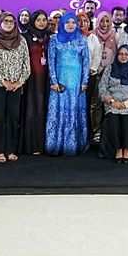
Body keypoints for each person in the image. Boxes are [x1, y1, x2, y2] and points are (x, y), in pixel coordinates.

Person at [0, 13, 31, 162]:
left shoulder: (21, 40)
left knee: (13, 117)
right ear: (0, 22)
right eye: (6, 21)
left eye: (12, 21)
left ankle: (10, 150)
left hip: (16, 86)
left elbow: (26, 63)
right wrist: (3, 81)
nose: (9, 24)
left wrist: (20, 81)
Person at [46, 12, 89, 156]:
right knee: (59, 111)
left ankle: (73, 146)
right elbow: (51, 61)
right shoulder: (54, 39)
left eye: (73, 22)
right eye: (67, 22)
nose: (71, 25)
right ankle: (57, 145)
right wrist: (53, 81)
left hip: (76, 83)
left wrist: (84, 81)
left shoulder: (82, 39)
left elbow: (86, 61)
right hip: (60, 81)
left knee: (74, 110)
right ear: (62, 24)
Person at [21, 10, 50, 155]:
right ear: (33, 21)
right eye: (38, 20)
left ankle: (43, 144)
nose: (41, 22)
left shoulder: (49, 37)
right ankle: (31, 145)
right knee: (31, 109)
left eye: (44, 19)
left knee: (44, 108)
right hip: (30, 80)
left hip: (46, 80)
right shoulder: (25, 36)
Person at [87, 12, 117, 144]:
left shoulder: (115, 35)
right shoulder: (92, 35)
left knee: (110, 102)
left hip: (110, 74)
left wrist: (108, 70)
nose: (104, 24)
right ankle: (96, 130)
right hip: (94, 73)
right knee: (96, 103)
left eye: (107, 21)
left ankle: (109, 131)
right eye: (102, 21)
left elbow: (118, 55)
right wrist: (96, 68)